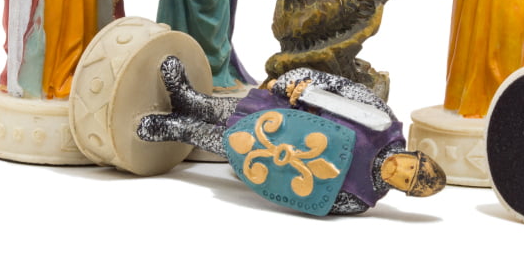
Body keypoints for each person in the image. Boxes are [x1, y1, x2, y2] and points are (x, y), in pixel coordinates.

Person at [137, 57, 446, 216]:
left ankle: (174, 128)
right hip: (285, 117)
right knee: (222, 109)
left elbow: (313, 198)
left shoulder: (360, 198)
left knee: (220, 141)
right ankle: (187, 98)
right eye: (410, 166)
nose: (401, 172)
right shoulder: (382, 123)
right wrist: (306, 86)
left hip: (276, 159)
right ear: (413, 155)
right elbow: (345, 89)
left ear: (403, 190)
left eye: (407, 180)